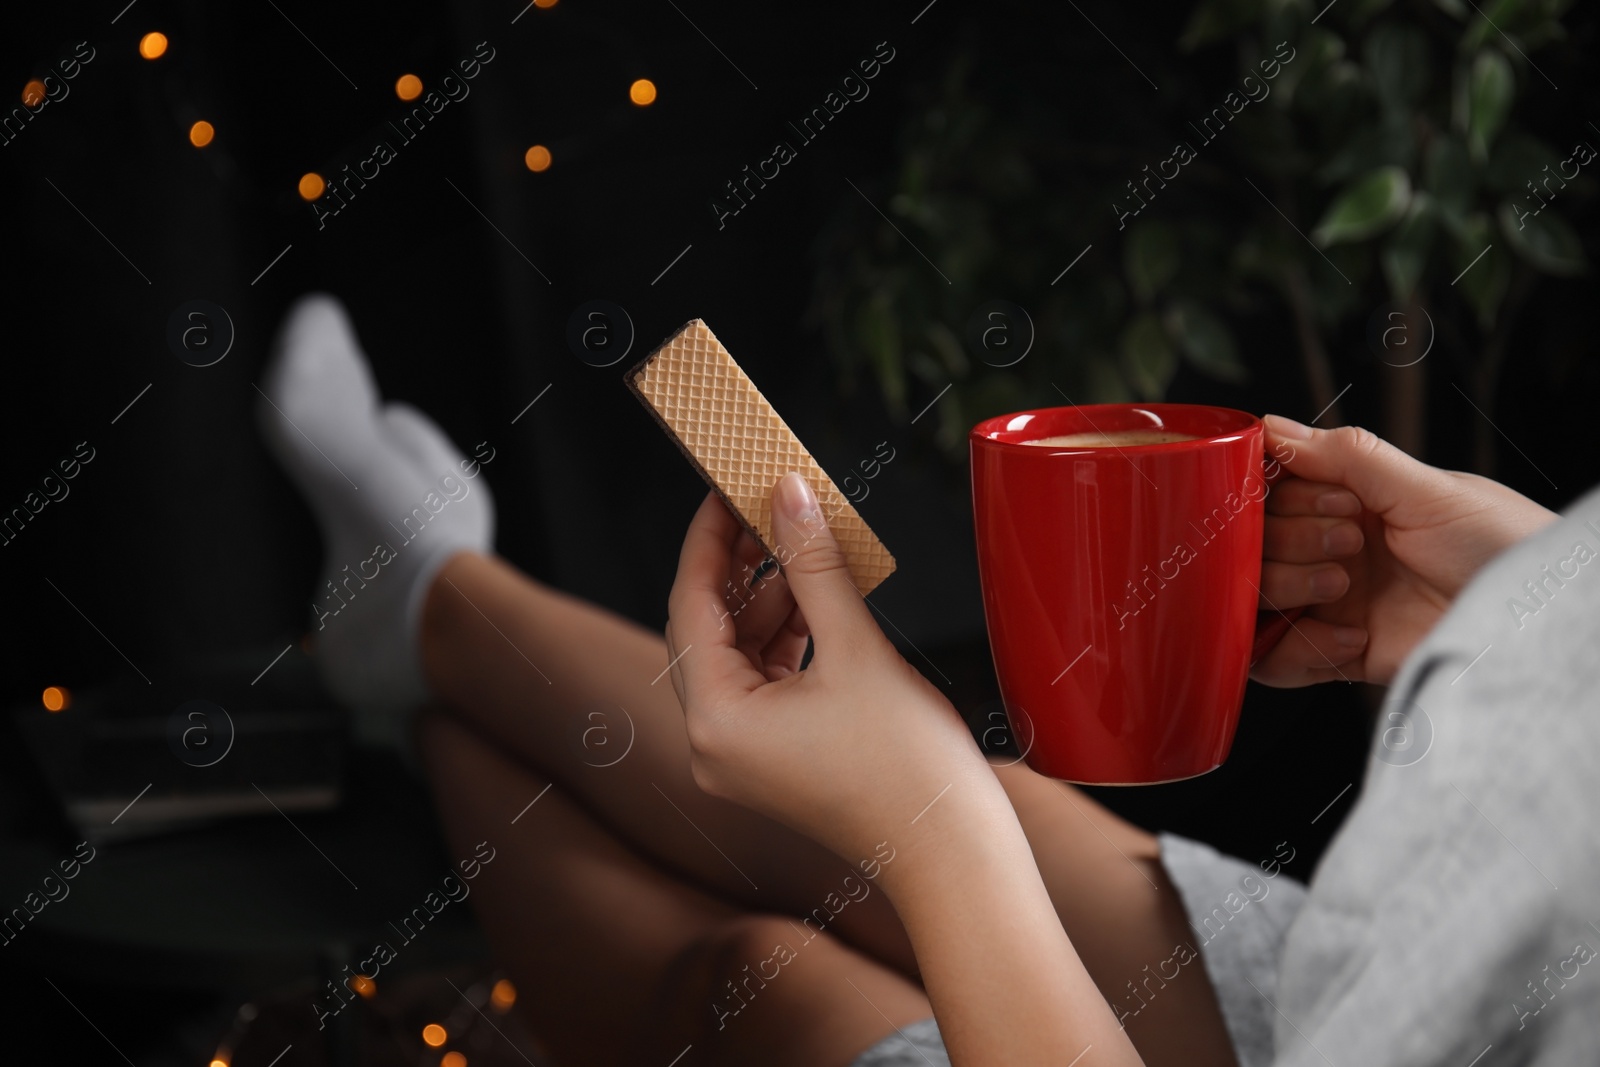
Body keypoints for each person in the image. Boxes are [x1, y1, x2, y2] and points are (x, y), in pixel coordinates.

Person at [259, 293, 1592, 1066]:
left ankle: (416, 639)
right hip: (1436, 971)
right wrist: (1535, 595)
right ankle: (422, 611)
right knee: (1030, 820)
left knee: (766, 978)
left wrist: (931, 839)